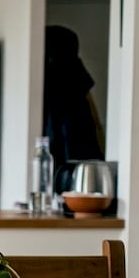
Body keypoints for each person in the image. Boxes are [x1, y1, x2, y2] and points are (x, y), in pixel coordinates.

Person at [43, 25, 105, 174]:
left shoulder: (58, 73)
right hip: (74, 155)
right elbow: (94, 123)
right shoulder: (75, 72)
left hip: (65, 154)